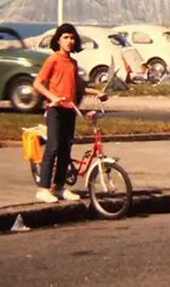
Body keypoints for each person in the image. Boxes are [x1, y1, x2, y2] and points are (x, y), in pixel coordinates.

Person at [32, 23, 108, 204]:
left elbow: (79, 87)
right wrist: (53, 97)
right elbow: (38, 83)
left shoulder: (72, 63)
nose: (69, 41)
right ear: (58, 40)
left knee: (66, 149)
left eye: (72, 38)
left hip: (70, 110)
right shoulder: (53, 60)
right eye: (66, 37)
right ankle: (43, 189)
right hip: (55, 109)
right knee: (53, 147)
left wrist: (97, 92)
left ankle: (58, 187)